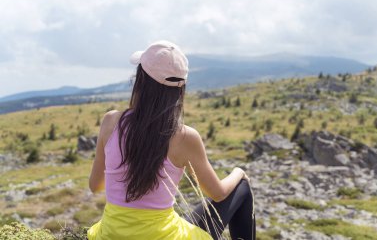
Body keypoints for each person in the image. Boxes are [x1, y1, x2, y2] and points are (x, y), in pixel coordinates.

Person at [87, 40, 255, 240]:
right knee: (242, 188)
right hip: (161, 235)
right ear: (180, 88)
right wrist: (239, 173)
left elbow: (95, 185)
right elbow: (218, 194)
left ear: (140, 79)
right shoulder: (185, 137)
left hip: (111, 235)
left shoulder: (110, 121)